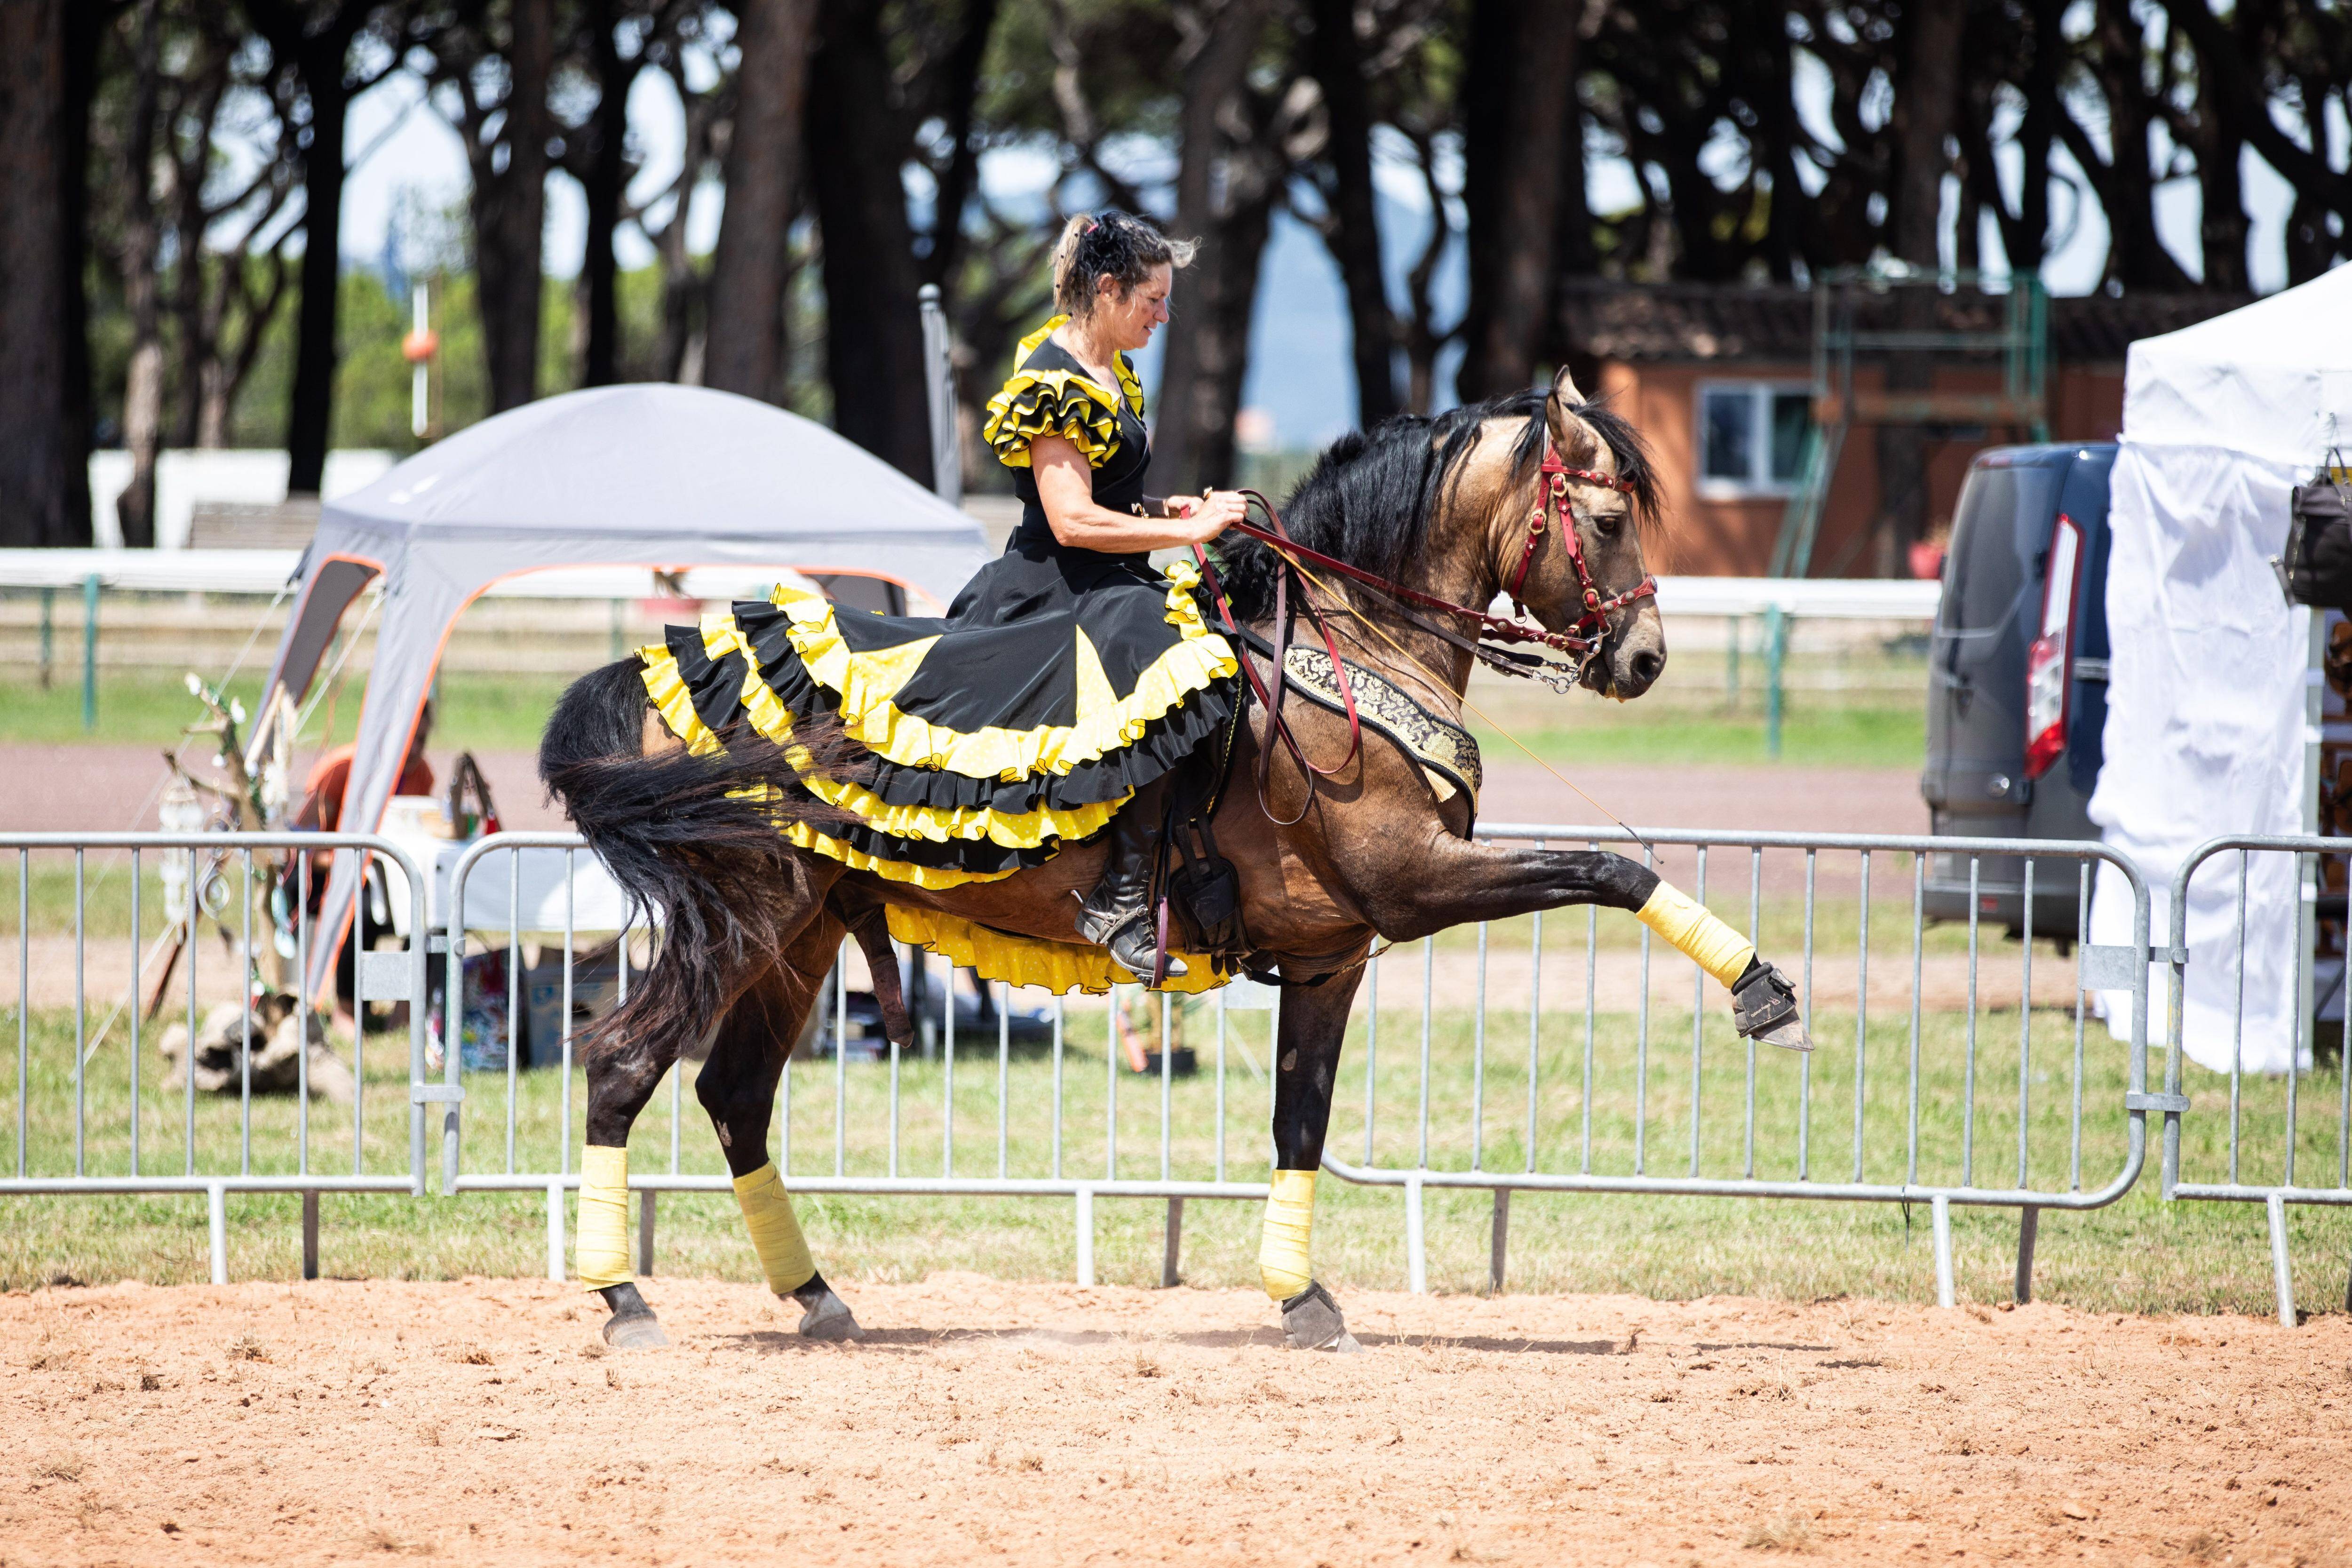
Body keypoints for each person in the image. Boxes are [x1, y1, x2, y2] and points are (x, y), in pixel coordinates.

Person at [971, 212, 1248, 974]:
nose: (1166, 315)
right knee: (1177, 675)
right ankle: (1120, 893)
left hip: (1105, 575)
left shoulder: (1111, 372)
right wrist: (1187, 535)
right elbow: (1071, 521)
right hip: (1057, 586)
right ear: (1107, 288)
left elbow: (1113, 502)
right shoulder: (1049, 381)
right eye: (1154, 299)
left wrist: (1180, 512)